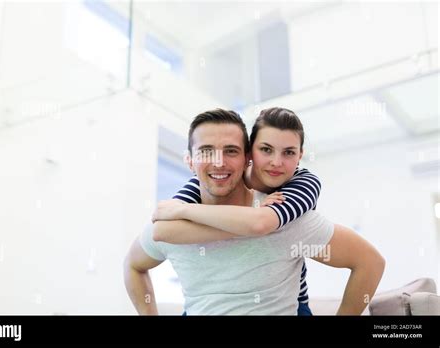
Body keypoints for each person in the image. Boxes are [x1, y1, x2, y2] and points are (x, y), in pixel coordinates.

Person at [124, 109, 385, 315]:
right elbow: (136, 261)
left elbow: (369, 261)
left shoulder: (286, 211)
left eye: (231, 151)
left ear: (246, 158)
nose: (218, 162)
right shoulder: (176, 215)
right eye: (205, 151)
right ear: (189, 161)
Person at [154, 107, 320, 315]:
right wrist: (187, 210)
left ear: (300, 155)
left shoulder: (304, 182)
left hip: (291, 300)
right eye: (266, 149)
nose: (276, 162)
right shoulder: (220, 176)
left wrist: (185, 211)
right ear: (251, 154)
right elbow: (161, 231)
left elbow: (260, 223)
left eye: (289, 152)